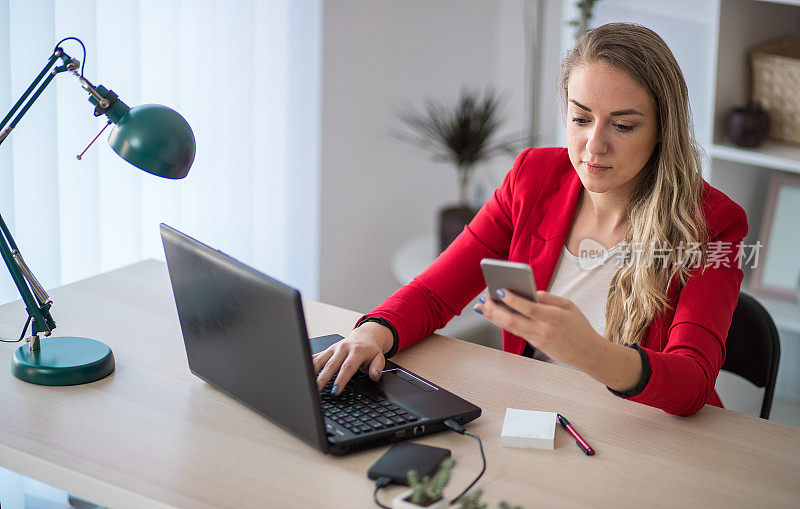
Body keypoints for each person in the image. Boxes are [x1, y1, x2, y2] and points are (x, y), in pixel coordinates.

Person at [313, 22, 747, 416]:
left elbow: (693, 382)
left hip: (651, 436)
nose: (593, 146)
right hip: (542, 417)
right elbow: (434, 294)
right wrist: (373, 332)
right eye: (580, 118)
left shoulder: (713, 223)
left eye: (624, 126)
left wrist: (589, 352)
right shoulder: (534, 178)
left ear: (662, 129)